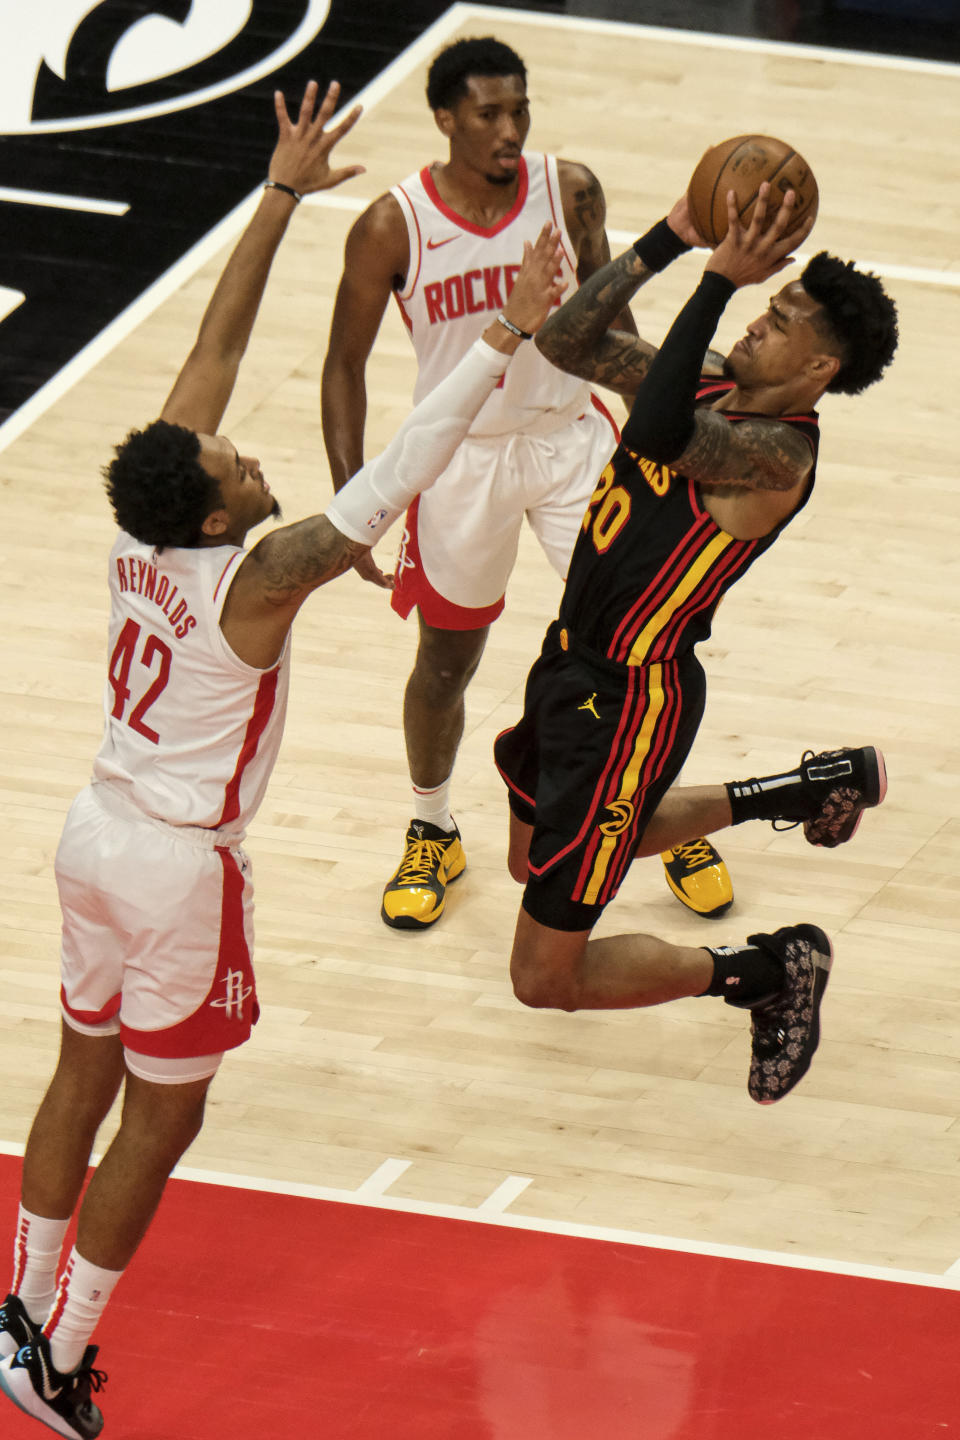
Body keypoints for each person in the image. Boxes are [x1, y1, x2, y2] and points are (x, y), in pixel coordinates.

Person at [0, 81, 566, 1440]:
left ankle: (17, 1303)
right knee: (165, 1117)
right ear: (219, 506)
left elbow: (213, 340)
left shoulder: (150, 525)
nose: (243, 447)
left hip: (93, 829)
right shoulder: (252, 582)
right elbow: (406, 463)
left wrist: (274, 196)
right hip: (179, 869)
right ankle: (61, 1348)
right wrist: (498, 338)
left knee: (82, 1070)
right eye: (236, 460)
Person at [493, 180, 899, 1104]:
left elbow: (657, 427)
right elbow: (564, 344)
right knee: (531, 859)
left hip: (629, 701)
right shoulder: (712, 374)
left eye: (782, 318)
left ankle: (764, 972)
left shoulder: (779, 456)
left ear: (819, 368)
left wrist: (714, 280)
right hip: (568, 663)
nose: (760, 320)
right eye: (765, 302)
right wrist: (671, 237)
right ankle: (804, 789)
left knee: (542, 978)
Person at [321, 34, 732, 931]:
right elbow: (342, 366)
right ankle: (433, 828)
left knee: (646, 644)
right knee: (446, 660)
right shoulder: (392, 225)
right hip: (456, 460)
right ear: (444, 118)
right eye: (489, 113)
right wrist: (356, 504)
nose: (511, 129)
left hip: (569, 445)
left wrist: (682, 431)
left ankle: (656, 817)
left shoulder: (568, 189)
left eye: (520, 109)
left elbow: (613, 318)